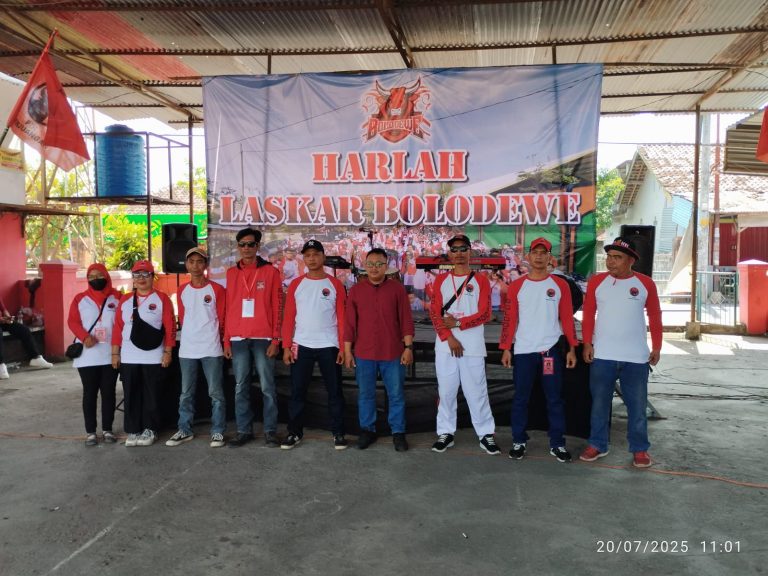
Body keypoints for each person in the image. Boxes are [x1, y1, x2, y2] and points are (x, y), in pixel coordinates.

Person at [579, 237, 662, 468]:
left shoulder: (646, 283)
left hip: (636, 357)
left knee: (637, 406)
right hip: (603, 355)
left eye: (617, 258)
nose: (610, 262)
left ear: (631, 261)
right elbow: (588, 315)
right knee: (599, 405)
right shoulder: (597, 282)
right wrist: (587, 343)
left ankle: (639, 449)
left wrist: (657, 346)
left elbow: (655, 316)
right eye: (608, 257)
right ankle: (597, 444)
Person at [499, 237, 578, 463]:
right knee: (521, 398)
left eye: (544, 253)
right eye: (536, 252)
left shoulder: (560, 285)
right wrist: (506, 348)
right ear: (529, 256)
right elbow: (510, 319)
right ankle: (519, 441)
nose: (540, 256)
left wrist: (572, 348)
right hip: (523, 351)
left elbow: (567, 319)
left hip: (550, 351)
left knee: (554, 399)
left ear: (549, 257)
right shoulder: (517, 286)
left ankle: (557, 444)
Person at [428, 234, 499, 455]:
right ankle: (446, 432)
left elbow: (485, 313)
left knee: (476, 391)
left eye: (463, 249)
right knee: (446, 391)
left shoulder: (481, 280)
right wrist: (449, 336)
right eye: (454, 250)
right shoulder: (440, 280)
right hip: (446, 346)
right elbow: (435, 312)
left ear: (471, 252)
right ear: (449, 254)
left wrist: (459, 322)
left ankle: (485, 434)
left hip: (473, 346)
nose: (459, 254)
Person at [344, 248, 414, 451]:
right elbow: (350, 324)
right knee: (365, 394)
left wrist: (408, 347)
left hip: (393, 352)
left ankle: (398, 433)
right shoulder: (356, 290)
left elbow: (406, 321)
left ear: (386, 266)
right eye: (370, 264)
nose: (374, 268)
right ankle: (367, 430)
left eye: (379, 264)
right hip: (364, 353)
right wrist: (348, 351)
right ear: (365, 266)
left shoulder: (397, 289)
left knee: (396, 395)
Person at [281, 240, 348, 450]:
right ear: (304, 258)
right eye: (308, 255)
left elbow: (343, 318)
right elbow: (289, 318)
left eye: (315, 254)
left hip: (329, 345)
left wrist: (344, 348)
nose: (312, 258)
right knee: (297, 392)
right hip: (301, 345)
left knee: (335, 392)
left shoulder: (335, 284)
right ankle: (294, 432)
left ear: (323, 257)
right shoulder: (296, 284)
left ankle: (338, 433)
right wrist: (285, 346)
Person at [223, 227, 282, 448]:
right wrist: (226, 339)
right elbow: (229, 307)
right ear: (238, 247)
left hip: (264, 337)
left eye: (250, 244)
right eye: (242, 245)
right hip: (238, 338)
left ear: (257, 247)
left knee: (268, 387)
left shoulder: (271, 272)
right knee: (240, 386)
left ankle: (269, 431)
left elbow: (278, 307)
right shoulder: (231, 273)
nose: (246, 248)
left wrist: (276, 339)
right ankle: (243, 431)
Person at [166, 247, 227, 448]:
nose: (195, 265)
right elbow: (183, 318)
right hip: (188, 350)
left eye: (199, 261)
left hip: (211, 348)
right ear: (187, 265)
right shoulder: (182, 290)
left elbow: (222, 319)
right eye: (191, 262)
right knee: (186, 393)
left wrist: (221, 341)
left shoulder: (217, 290)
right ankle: (184, 429)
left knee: (215, 393)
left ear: (206, 265)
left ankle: (218, 431)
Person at [112, 260, 176, 447]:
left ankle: (150, 429)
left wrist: (168, 351)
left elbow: (170, 327)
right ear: (133, 278)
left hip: (153, 356)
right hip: (129, 356)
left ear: (152, 277)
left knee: (152, 394)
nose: (141, 279)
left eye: (145, 274)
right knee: (131, 393)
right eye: (137, 275)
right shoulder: (124, 300)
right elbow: (117, 328)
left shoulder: (162, 299)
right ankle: (133, 429)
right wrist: (115, 354)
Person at [67, 263, 122, 446]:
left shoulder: (117, 297)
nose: (95, 278)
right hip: (87, 355)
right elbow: (73, 321)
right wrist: (84, 337)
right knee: (89, 393)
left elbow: (120, 325)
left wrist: (117, 350)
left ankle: (107, 429)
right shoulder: (80, 299)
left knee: (109, 393)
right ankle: (90, 432)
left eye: (99, 275)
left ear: (106, 275)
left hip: (110, 354)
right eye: (91, 276)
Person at [0, 297, 53, 380]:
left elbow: (3, 309)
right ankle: (1, 365)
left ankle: (35, 357)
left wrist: (8, 318)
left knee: (23, 329)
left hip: (2, 321)